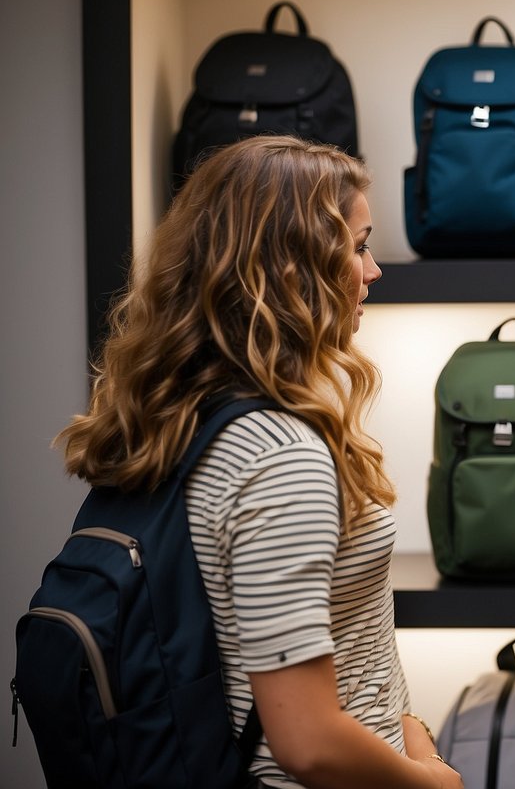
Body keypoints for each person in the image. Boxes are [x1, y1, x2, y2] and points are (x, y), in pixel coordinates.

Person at [55, 135, 462, 789]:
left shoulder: (189, 416)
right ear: (289, 266)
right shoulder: (279, 454)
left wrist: (407, 728)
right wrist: (436, 782)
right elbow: (304, 741)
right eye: (357, 246)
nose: (373, 270)